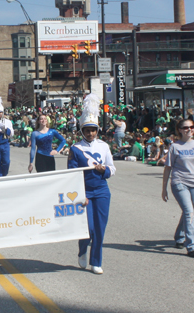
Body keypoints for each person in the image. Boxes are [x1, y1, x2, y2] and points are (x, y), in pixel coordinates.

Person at [68, 94, 116, 275]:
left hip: (102, 191)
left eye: (93, 130)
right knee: (87, 228)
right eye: (87, 130)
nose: (90, 133)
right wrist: (81, 194)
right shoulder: (75, 149)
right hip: (85, 192)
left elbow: (113, 167)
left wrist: (105, 170)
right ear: (82, 131)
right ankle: (82, 250)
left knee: (100, 229)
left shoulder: (103, 146)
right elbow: (72, 175)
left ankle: (96, 261)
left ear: (97, 130)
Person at [162, 119, 194, 258]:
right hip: (179, 183)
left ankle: (179, 236)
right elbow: (168, 168)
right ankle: (191, 246)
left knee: (187, 212)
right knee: (189, 212)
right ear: (179, 130)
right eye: (185, 127)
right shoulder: (175, 146)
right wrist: (164, 188)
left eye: (191, 127)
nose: (189, 129)